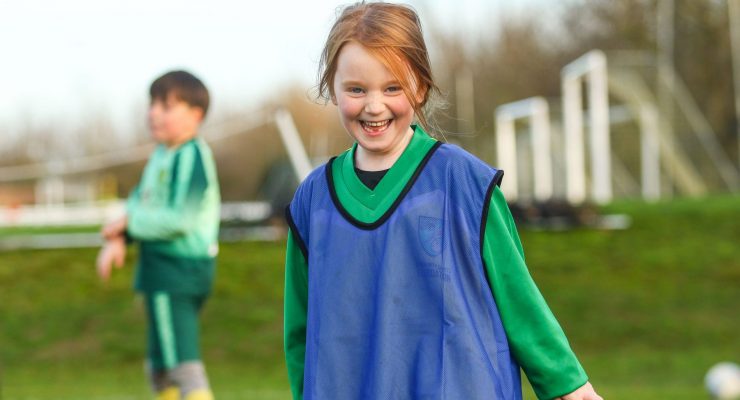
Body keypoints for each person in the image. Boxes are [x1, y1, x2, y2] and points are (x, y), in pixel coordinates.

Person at [283, 3, 603, 400]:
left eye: (392, 87)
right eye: (356, 89)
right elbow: (300, 333)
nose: (374, 105)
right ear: (333, 87)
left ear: (420, 86)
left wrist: (568, 386)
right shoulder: (312, 201)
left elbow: (518, 298)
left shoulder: (464, 182)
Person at [97, 70, 220, 400]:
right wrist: (119, 238)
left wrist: (127, 224)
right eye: (152, 104)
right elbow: (139, 203)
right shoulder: (160, 156)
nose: (153, 112)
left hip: (177, 270)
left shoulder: (191, 155)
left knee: (181, 364)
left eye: (166, 106)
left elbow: (180, 218)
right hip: (161, 270)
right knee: (160, 364)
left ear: (195, 115)